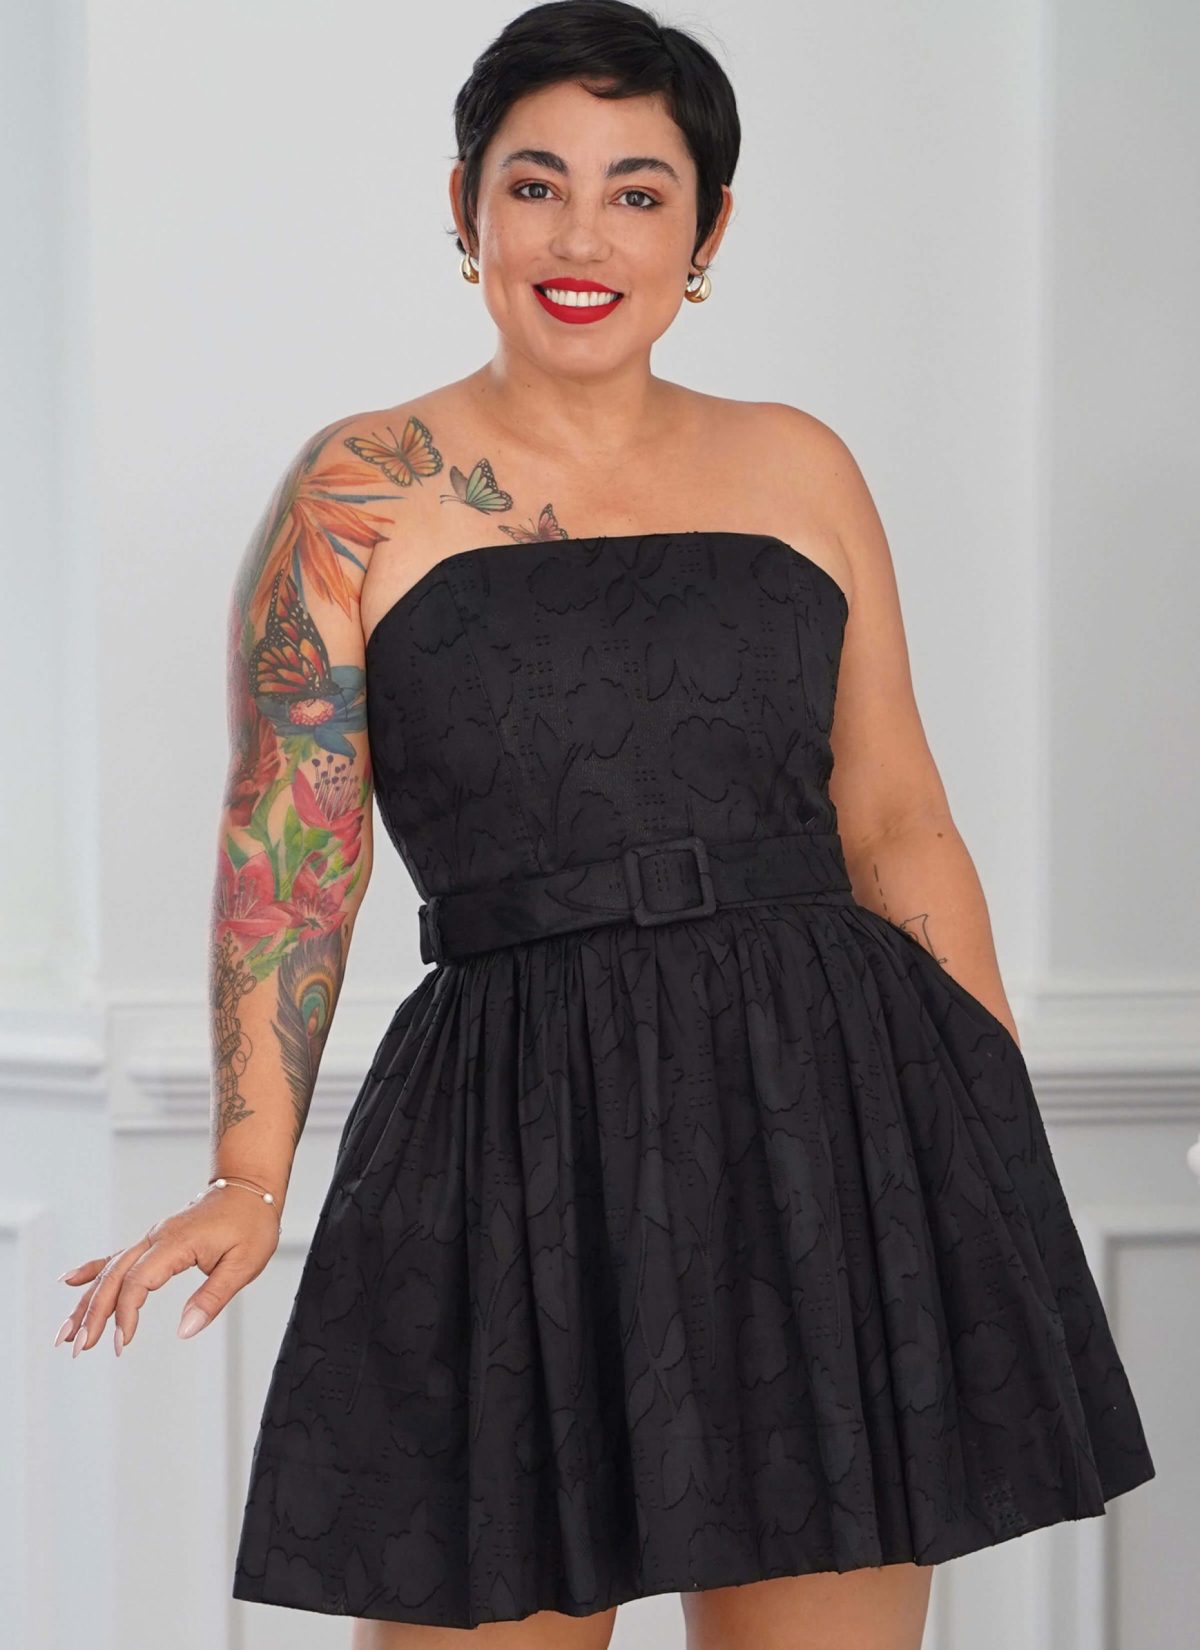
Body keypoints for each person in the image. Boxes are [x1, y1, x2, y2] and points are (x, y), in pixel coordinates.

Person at [53, 3, 1155, 1646]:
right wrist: (248, 1169)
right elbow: (291, 847)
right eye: (537, 185)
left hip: (816, 1113)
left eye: (639, 193)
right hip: (511, 1128)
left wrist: (981, 1128)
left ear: (707, 230)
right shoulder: (358, 490)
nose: (584, 238)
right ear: (465, 207)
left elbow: (897, 818)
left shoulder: (801, 466)